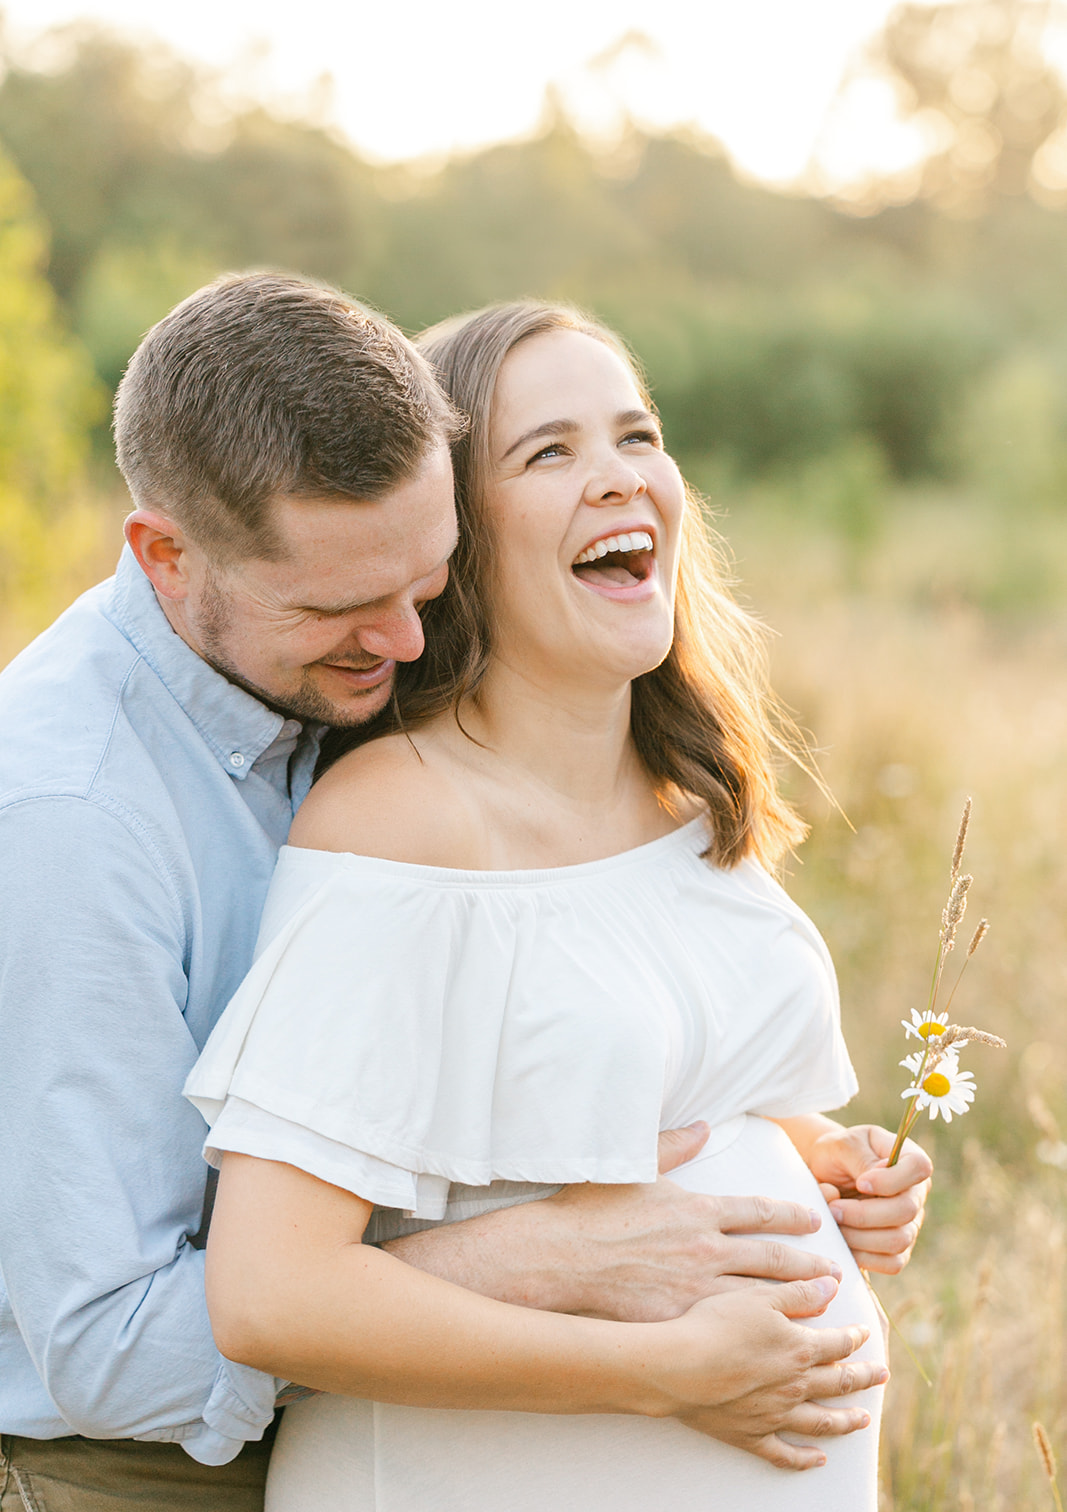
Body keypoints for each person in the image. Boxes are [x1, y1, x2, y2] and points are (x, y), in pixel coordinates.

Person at [0, 274, 925, 1512]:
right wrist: (540, 1263)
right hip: (132, 1473)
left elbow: (492, 1068)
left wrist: (783, 1164)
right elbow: (127, 1339)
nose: (401, 645)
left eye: (422, 586)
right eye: (343, 607)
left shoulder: (362, 694)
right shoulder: (71, 820)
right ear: (167, 557)